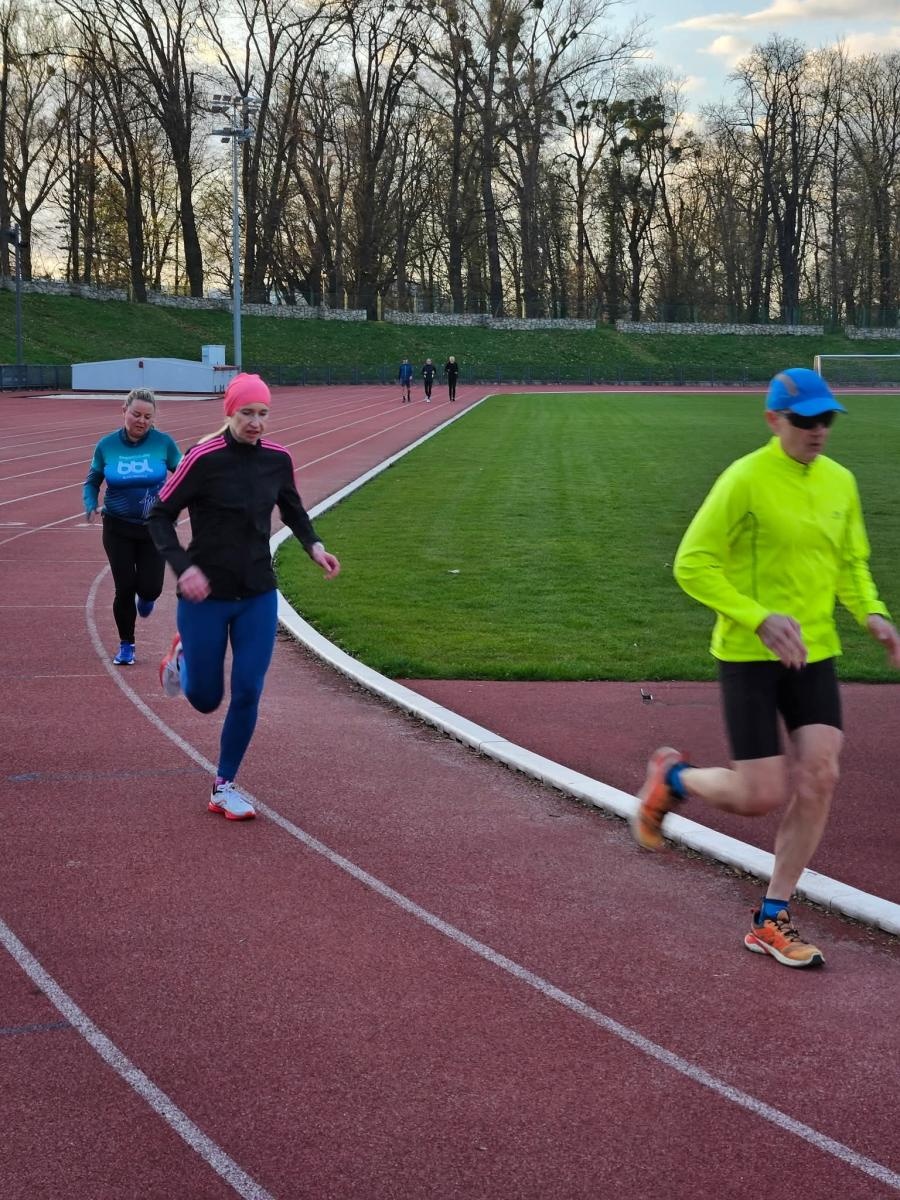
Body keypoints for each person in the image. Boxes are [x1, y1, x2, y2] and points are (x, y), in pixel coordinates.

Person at [633, 367, 900, 968]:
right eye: (805, 420)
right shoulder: (744, 479)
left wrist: (873, 615)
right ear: (774, 420)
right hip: (749, 655)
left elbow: (851, 565)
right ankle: (673, 779)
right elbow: (692, 564)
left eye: (826, 419)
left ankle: (772, 916)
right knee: (759, 795)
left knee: (821, 774)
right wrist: (758, 617)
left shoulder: (841, 483)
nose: (818, 431)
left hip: (816, 652)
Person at [148, 373, 340, 821]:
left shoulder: (277, 459)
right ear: (229, 413)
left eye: (263, 414)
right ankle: (181, 659)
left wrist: (314, 546)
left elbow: (292, 507)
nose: (256, 423)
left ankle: (223, 785)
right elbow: (159, 516)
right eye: (247, 413)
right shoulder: (203, 458)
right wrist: (185, 568)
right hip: (206, 596)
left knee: (249, 691)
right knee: (204, 699)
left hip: (257, 592)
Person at [83, 388, 182, 666]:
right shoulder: (107, 446)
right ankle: (127, 644)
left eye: (148, 417)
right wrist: (90, 502)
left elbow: (185, 474)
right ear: (123, 411)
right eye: (136, 414)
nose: (141, 421)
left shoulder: (163, 444)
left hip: (154, 528)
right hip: (118, 528)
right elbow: (92, 480)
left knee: (150, 588)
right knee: (124, 587)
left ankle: (147, 598)